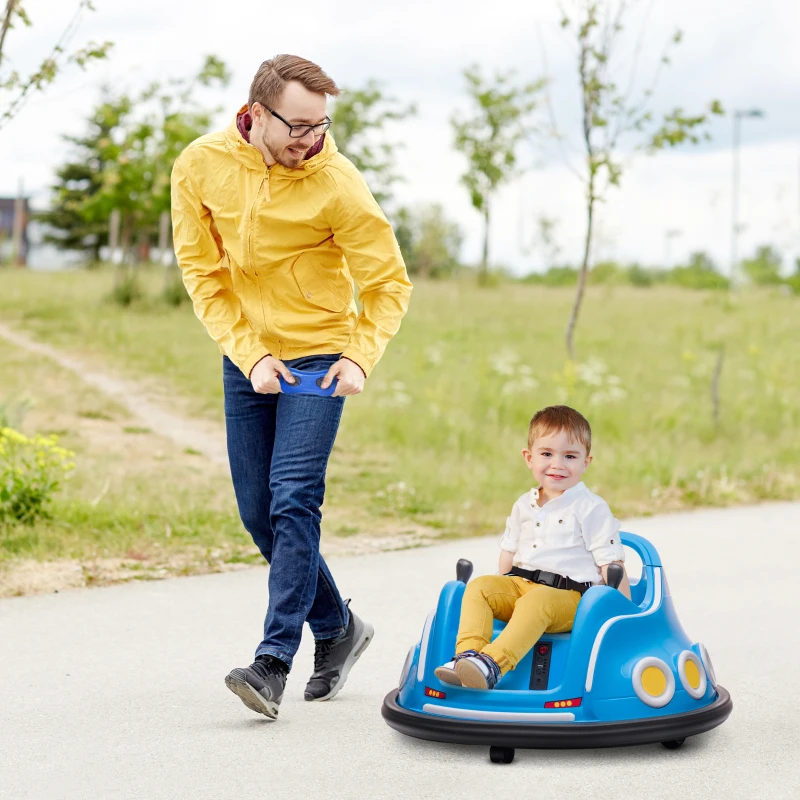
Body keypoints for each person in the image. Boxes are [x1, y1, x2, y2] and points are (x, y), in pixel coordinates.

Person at [170, 54, 412, 719]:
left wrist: (360, 357)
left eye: (321, 124)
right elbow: (203, 275)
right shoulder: (200, 165)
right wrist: (249, 357)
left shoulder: (338, 183)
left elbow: (389, 283)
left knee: (293, 499)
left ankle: (272, 663)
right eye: (298, 125)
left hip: (320, 358)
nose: (312, 139)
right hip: (248, 356)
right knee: (257, 511)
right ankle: (338, 627)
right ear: (256, 113)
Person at [435, 405, 631, 690]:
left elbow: (611, 564)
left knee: (536, 601)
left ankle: (492, 664)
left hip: (569, 598)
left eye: (570, 456)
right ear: (529, 458)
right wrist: (500, 587)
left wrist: (620, 613)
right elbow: (509, 552)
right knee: (479, 587)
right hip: (521, 585)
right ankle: (468, 657)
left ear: (586, 462)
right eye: (547, 454)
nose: (558, 464)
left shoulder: (591, 508)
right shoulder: (523, 504)